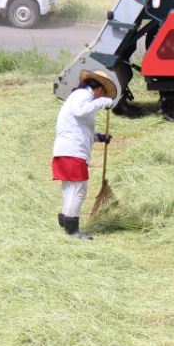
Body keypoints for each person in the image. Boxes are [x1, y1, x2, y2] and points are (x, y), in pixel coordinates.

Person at [52, 69, 117, 239]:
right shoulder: (82, 96)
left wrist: (99, 137)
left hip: (66, 149)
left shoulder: (79, 97)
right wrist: (103, 101)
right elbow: (81, 111)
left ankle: (66, 220)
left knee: (70, 189)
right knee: (78, 190)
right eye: (102, 93)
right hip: (73, 151)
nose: (100, 97)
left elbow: (80, 129)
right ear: (99, 89)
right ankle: (72, 230)